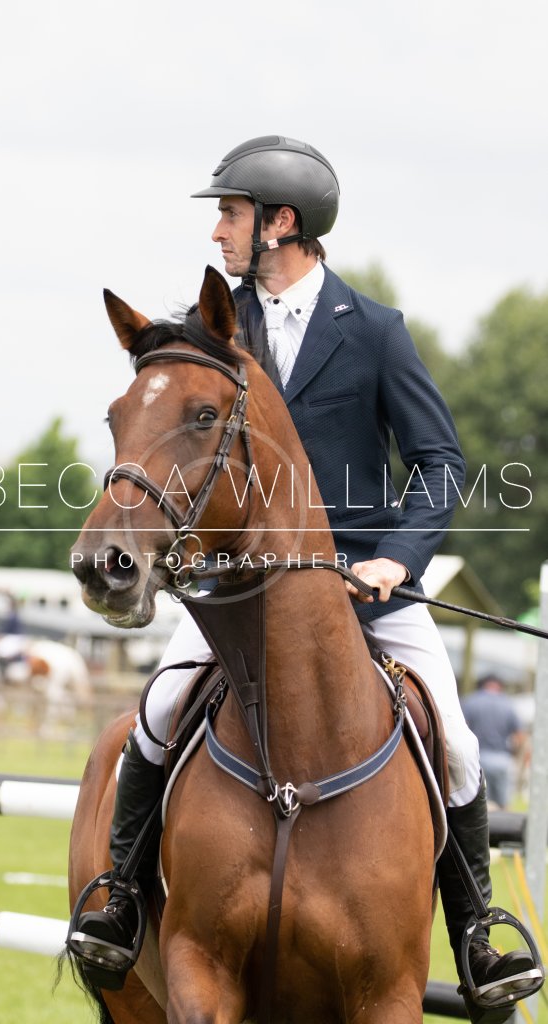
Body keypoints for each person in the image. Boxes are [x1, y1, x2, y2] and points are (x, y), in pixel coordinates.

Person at [79, 135, 539, 1014]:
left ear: (280, 223)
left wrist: (397, 558)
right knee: (159, 712)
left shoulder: (373, 331)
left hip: (368, 588)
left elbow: (440, 461)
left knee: (456, 742)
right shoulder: (216, 329)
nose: (218, 231)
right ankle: (122, 901)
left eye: (231, 214)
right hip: (237, 595)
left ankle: (479, 937)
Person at [462, 675, 525, 810]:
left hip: (477, 759)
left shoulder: (470, 702)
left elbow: (462, 728)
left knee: (481, 805)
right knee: (504, 805)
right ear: (499, 686)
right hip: (502, 760)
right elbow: (519, 735)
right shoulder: (508, 704)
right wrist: (514, 754)